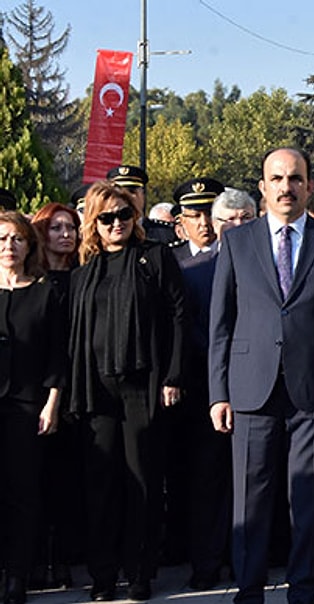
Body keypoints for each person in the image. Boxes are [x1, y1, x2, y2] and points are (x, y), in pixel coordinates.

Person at [208, 147, 314, 604]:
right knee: (250, 502)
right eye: (276, 178)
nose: (286, 187)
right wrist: (218, 392)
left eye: (295, 178)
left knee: (310, 502)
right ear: (262, 186)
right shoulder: (237, 241)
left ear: (309, 186)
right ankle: (248, 592)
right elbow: (221, 323)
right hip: (251, 390)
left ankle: (306, 593)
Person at [68, 182, 184, 602]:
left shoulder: (155, 257)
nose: (117, 223)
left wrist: (173, 377)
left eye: (124, 214)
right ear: (93, 223)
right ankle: (102, 575)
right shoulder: (84, 271)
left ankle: (139, 572)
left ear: (135, 217)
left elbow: (178, 316)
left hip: (143, 385)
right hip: (94, 387)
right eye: (107, 217)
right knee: (100, 483)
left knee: (143, 480)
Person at [175, 188, 255, 591]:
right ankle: (206, 562)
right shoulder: (193, 270)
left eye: (246, 218)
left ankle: (248, 561)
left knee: (254, 481)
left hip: (261, 388)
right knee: (208, 479)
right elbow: (190, 330)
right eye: (229, 220)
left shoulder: (273, 266)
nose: (238, 226)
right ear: (216, 225)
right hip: (211, 390)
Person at [0, 211, 67, 604]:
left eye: (17, 239)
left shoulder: (44, 294)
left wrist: (52, 403)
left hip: (28, 407)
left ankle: (17, 575)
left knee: (22, 492)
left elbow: (57, 355)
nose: (9, 246)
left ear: (29, 246)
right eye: (2, 239)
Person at [28, 203, 80, 589]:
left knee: (68, 480)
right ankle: (33, 561)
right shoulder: (31, 281)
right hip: (36, 391)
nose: (65, 234)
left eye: (71, 227)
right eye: (56, 227)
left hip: (78, 390)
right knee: (34, 480)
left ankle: (64, 558)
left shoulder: (84, 276)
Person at [170, 178, 224, 266]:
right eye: (196, 216)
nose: (204, 223)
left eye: (210, 214)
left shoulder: (233, 253)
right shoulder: (171, 257)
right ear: (183, 221)